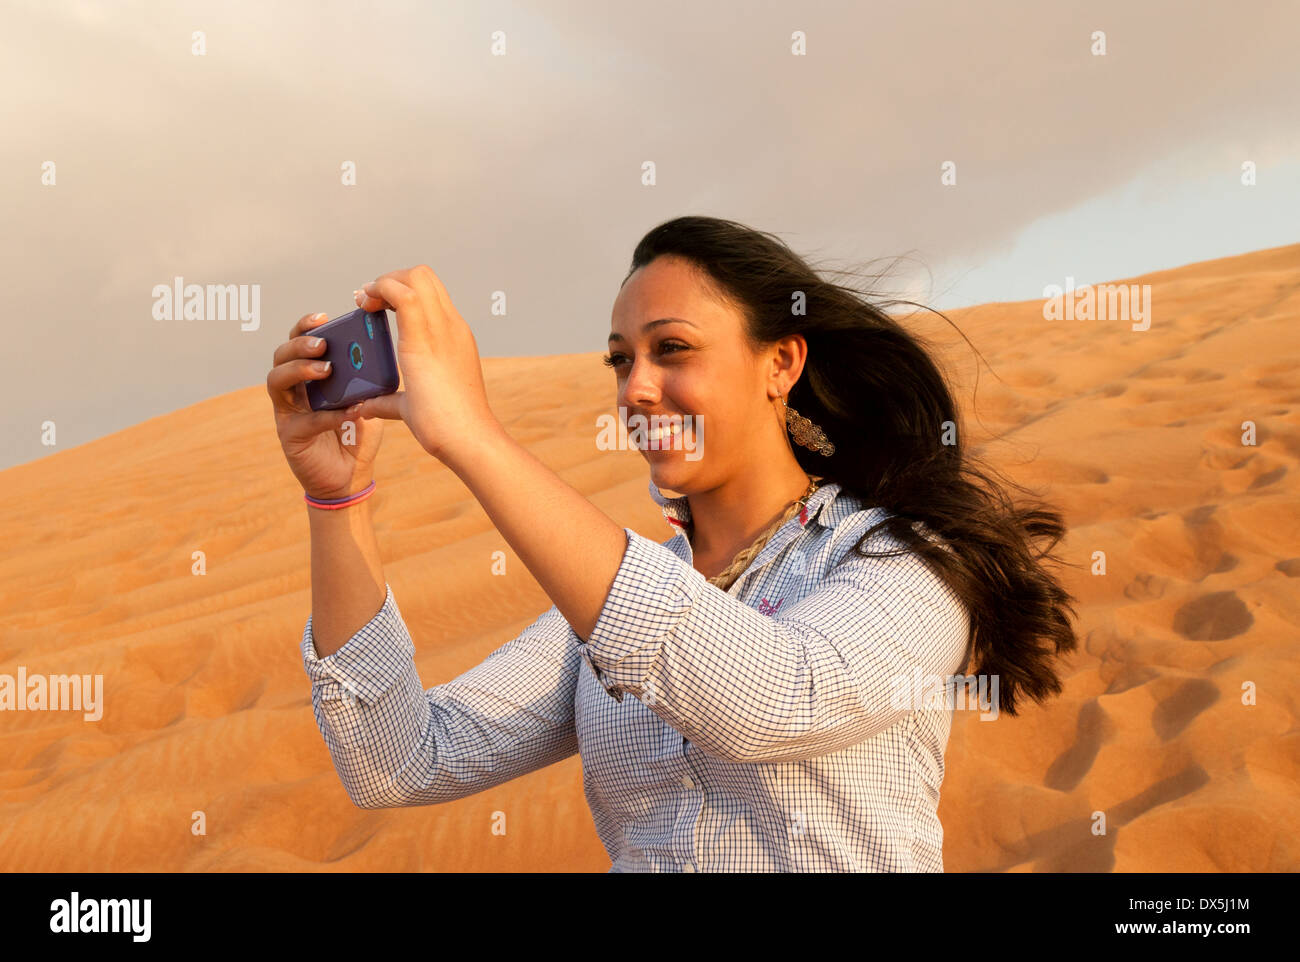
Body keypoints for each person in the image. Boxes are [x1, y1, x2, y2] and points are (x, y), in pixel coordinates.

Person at [266, 215, 1079, 872]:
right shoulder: (619, 599)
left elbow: (775, 702)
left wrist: (476, 438)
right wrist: (336, 502)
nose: (636, 388)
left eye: (673, 349)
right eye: (621, 361)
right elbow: (399, 761)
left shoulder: (908, 564)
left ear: (781, 362)